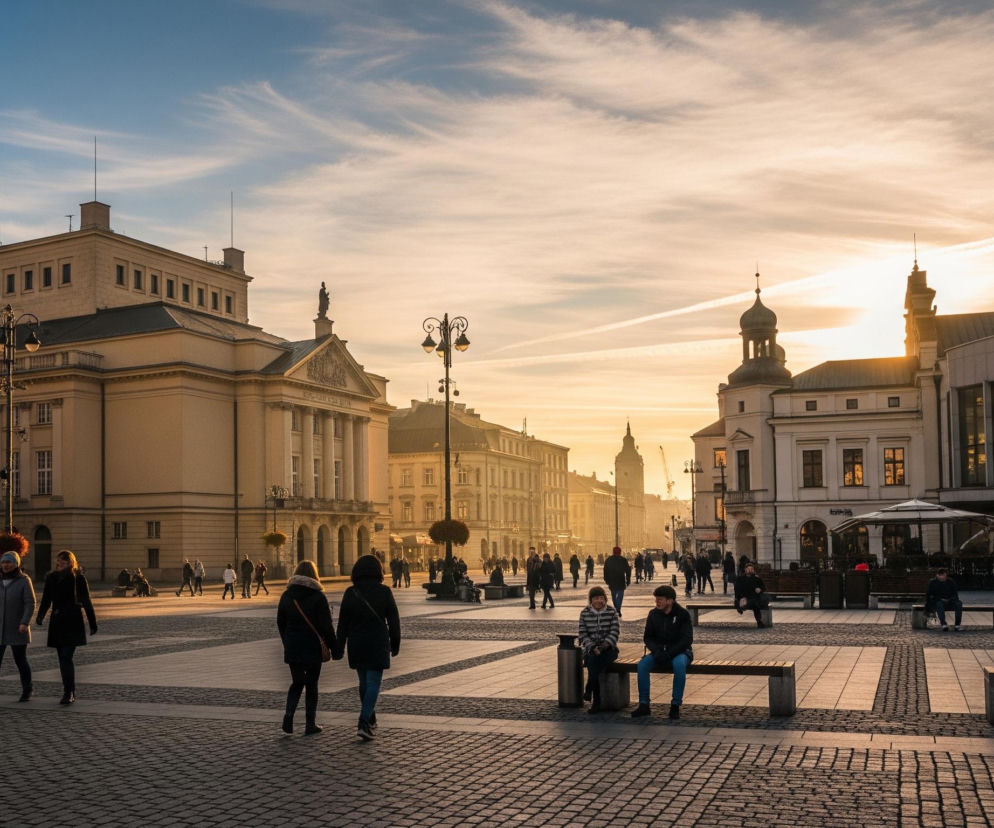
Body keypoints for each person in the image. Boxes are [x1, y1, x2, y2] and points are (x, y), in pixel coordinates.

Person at [337, 555, 401, 741]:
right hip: (377, 642)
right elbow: (394, 621)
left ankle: (369, 718)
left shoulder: (351, 592)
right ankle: (364, 721)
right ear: (378, 571)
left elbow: (343, 623)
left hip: (356, 642)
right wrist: (395, 643)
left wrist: (339, 646)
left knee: (364, 682)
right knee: (373, 683)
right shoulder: (384, 591)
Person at [276, 559, 337, 735]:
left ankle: (288, 718)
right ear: (314, 575)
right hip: (312, 647)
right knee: (311, 684)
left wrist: (287, 641)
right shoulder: (318, 596)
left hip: (293, 646)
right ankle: (310, 724)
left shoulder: (287, 595)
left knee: (296, 682)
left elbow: (281, 622)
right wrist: (335, 647)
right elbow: (326, 626)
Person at [36, 549, 97, 704]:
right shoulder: (51, 578)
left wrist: (92, 622)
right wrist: (40, 616)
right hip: (57, 620)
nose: (61, 563)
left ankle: (68, 692)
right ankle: (69, 690)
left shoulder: (78, 578)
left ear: (71, 562)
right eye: (59, 561)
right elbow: (46, 600)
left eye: (64, 561)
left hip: (73, 619)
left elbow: (86, 600)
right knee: (62, 658)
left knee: (66, 657)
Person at [631, 585, 693, 720]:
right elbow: (648, 637)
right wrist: (657, 650)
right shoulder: (653, 614)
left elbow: (687, 639)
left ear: (670, 601)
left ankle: (675, 705)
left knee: (679, 665)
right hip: (659, 651)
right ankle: (644, 704)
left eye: (660, 599)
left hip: (681, 652)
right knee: (642, 665)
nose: (657, 602)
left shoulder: (682, 614)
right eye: (656, 599)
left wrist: (669, 653)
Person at [0, 551, 36, 702]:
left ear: (16, 564)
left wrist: (25, 622)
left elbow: (30, 603)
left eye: (9, 562)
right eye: (3, 562)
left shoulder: (23, 580)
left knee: (20, 660)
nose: (6, 565)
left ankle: (27, 689)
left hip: (17, 627)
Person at [578, 586, 620, 714]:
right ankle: (595, 699)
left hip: (609, 650)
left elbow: (614, 632)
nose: (600, 601)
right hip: (591, 650)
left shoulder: (611, 612)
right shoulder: (585, 613)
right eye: (596, 598)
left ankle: (590, 691)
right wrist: (592, 647)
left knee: (594, 665)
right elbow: (582, 634)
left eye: (602, 598)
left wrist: (603, 647)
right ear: (591, 600)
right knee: (593, 663)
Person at [734, 562, 771, 628]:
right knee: (754, 604)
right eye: (748, 569)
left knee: (755, 604)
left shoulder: (757, 579)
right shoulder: (740, 579)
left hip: (754, 599)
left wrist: (760, 589)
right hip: (743, 598)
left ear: (753, 570)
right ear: (745, 570)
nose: (750, 570)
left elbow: (763, 588)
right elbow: (737, 590)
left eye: (751, 569)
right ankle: (759, 622)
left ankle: (759, 622)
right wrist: (740, 598)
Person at [603, 547, 631, 616]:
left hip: (612, 581)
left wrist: (606, 580)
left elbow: (605, 571)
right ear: (620, 552)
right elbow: (628, 571)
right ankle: (618, 609)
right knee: (620, 596)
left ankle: (616, 608)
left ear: (613, 552)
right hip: (621, 580)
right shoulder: (623, 560)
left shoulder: (609, 560)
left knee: (613, 595)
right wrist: (628, 579)